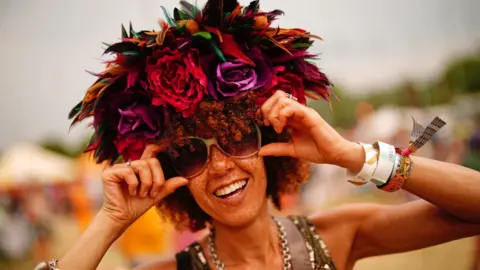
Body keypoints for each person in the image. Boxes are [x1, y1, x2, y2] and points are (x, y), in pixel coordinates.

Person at [36, 1, 480, 269]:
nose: (222, 164)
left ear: (270, 142)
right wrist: (110, 222)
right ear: (174, 176)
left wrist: (354, 155)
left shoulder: (340, 234)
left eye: (238, 137)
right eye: (191, 153)